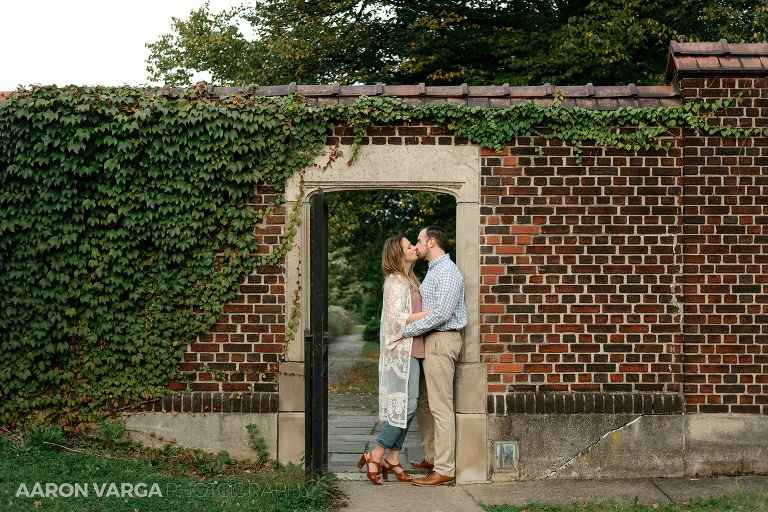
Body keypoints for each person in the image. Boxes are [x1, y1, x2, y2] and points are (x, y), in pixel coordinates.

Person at [357, 235, 432, 484]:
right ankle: (376, 454)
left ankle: (394, 458)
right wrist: (429, 314)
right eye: (409, 246)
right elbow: (395, 319)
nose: (413, 248)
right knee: (407, 406)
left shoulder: (410, 279)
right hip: (402, 350)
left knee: (408, 405)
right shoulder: (394, 281)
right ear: (398, 254)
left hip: (415, 347)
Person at [402, 225, 467, 487]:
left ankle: (445, 469)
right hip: (430, 342)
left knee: (441, 407)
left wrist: (407, 331)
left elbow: (441, 314)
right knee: (425, 404)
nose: (415, 246)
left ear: (431, 243)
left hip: (442, 340)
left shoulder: (448, 272)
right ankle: (432, 457)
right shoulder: (433, 271)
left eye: (418, 241)